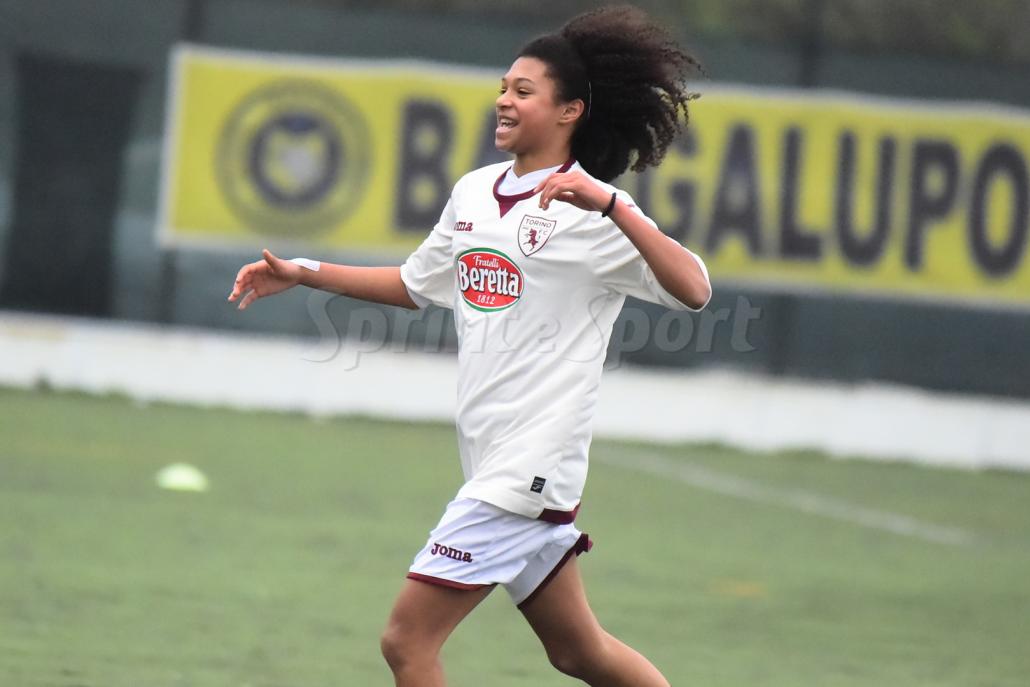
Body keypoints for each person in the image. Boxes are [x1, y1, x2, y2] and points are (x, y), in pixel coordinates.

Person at [228, 5, 711, 685]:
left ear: (570, 110)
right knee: (579, 652)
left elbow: (695, 289)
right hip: (493, 458)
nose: (504, 101)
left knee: (407, 642)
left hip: (526, 469)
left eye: (523, 91)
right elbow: (414, 284)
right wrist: (303, 271)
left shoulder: (595, 212)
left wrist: (613, 205)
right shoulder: (475, 192)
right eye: (503, 87)